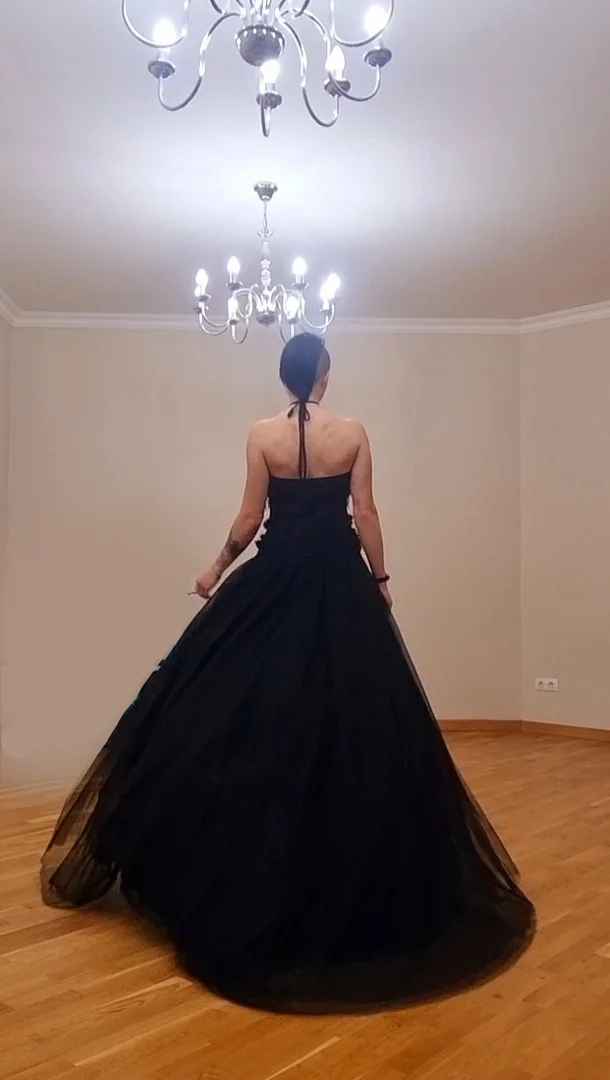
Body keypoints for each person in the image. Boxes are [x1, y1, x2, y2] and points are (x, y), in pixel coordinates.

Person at [41, 333, 535, 1013]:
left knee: (237, 709)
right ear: (324, 375)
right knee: (357, 720)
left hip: (273, 580)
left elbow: (250, 517)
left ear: (285, 376)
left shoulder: (262, 435)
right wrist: (381, 580)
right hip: (339, 584)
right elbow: (365, 512)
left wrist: (217, 569)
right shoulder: (353, 432)